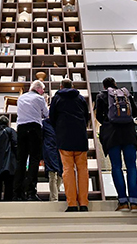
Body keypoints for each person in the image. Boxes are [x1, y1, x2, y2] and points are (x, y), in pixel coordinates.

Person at [95, 77, 137, 212]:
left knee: (116, 167)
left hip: (112, 135)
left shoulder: (101, 96)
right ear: (115, 84)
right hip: (128, 133)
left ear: (104, 86)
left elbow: (99, 116)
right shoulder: (126, 94)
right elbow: (135, 112)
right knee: (131, 166)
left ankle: (122, 202)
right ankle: (135, 202)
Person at [49, 79, 89, 212]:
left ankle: (72, 204)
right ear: (73, 86)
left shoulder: (57, 98)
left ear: (60, 86)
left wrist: (59, 129)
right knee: (82, 170)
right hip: (80, 137)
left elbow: (51, 117)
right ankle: (83, 203)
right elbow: (86, 116)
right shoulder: (80, 98)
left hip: (64, 137)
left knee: (67, 170)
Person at [13, 80, 49, 201]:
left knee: (21, 161)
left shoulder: (21, 98)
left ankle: (17, 193)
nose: (43, 92)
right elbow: (47, 114)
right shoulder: (40, 99)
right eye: (42, 89)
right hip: (34, 128)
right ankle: (30, 192)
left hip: (21, 129)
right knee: (34, 159)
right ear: (38, 89)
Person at [42, 117, 63, 202]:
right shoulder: (45, 123)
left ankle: (54, 196)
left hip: (60, 150)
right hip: (50, 151)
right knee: (52, 174)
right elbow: (41, 139)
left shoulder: (61, 122)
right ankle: (54, 198)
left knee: (60, 173)